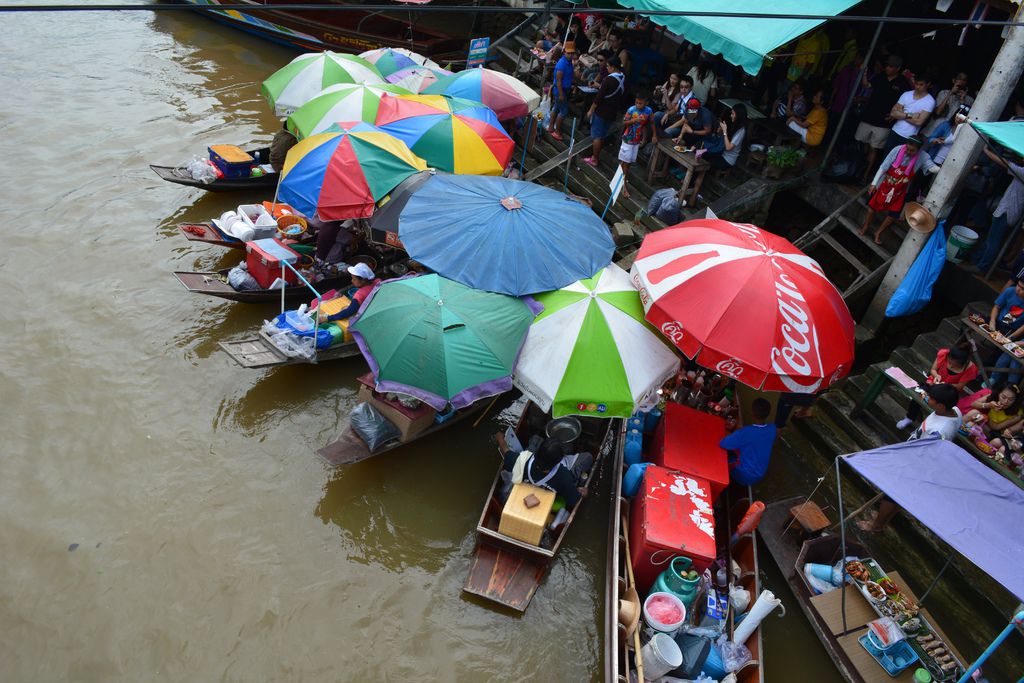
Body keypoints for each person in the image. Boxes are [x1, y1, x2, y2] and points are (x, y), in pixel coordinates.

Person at [859, 383, 961, 532]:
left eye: (931, 398)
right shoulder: (955, 411)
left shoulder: (940, 432)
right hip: (912, 457)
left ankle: (876, 526)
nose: (927, 398)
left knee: (891, 495)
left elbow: (928, 453)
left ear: (940, 405)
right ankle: (883, 520)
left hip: (917, 465)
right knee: (898, 496)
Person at [859, 136, 939, 244]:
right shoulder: (897, 149)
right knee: (872, 207)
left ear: (918, 150)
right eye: (908, 149)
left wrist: (943, 168)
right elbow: (883, 167)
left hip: (901, 190)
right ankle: (866, 225)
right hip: (885, 184)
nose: (909, 152)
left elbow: (932, 168)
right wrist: (874, 184)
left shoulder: (923, 156)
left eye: (912, 151)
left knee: (893, 215)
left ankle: (878, 233)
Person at [498, 434, 593, 508]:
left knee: (534, 438)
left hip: (532, 481)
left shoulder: (521, 461)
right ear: (559, 461)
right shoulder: (564, 477)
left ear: (538, 451)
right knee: (588, 457)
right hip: (558, 485)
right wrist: (583, 492)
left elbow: (505, 451)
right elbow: (573, 501)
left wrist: (500, 438)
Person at [895, 346, 977, 430]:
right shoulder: (944, 354)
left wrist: (945, 384)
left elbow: (959, 386)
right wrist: (937, 375)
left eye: (955, 365)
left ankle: (927, 427)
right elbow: (933, 370)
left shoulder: (971, 369)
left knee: (941, 406)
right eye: (949, 362)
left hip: (949, 391)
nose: (951, 366)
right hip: (933, 383)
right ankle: (909, 417)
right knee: (919, 395)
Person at [970, 147, 1024, 272]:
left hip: (1008, 211)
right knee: (991, 239)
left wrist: (987, 151)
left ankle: (982, 267)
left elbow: (1005, 163)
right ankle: (978, 260)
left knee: (993, 241)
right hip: (1007, 209)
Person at [854, 55, 908, 181]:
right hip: (868, 116)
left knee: (874, 148)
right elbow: (867, 85)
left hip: (884, 122)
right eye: (887, 65)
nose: (887, 68)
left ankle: (865, 175)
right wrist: (864, 74)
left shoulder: (902, 83)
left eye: (890, 66)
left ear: (898, 68)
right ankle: (855, 169)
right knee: (861, 144)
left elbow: (906, 103)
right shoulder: (880, 76)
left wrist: (894, 114)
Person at [719, 398, 777, 487]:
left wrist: (736, 434)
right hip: (760, 474)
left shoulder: (745, 432)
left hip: (743, 475)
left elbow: (723, 444)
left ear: (752, 414)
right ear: (767, 414)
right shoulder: (772, 429)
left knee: (723, 455)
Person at [583, 55, 625, 167]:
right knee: (602, 135)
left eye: (608, 66)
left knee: (597, 136)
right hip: (612, 112)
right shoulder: (622, 77)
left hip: (602, 111)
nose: (607, 68)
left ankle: (594, 158)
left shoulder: (608, 79)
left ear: (613, 67)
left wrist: (591, 110)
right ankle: (595, 157)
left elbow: (599, 98)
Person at [885, 73, 936, 154]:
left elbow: (919, 122)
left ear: (928, 85)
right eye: (916, 84)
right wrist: (910, 115)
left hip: (909, 137)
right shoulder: (906, 94)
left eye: (921, 84)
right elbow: (893, 113)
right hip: (895, 131)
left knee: (898, 162)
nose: (917, 87)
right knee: (886, 157)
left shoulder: (930, 101)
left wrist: (901, 113)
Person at [617, 92, 653, 199]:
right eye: (636, 103)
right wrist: (635, 120)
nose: (638, 105)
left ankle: (619, 180)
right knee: (626, 164)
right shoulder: (631, 110)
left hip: (636, 141)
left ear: (646, 103)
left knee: (626, 162)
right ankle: (624, 186)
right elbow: (624, 122)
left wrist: (646, 138)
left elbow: (649, 124)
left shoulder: (648, 111)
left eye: (640, 103)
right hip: (628, 139)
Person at [923, 72, 973, 136]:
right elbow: (938, 112)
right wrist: (950, 94)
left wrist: (962, 101)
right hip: (931, 132)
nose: (961, 82)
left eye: (964, 80)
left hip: (947, 137)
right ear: (953, 80)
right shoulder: (943, 93)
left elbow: (964, 119)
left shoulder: (969, 100)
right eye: (959, 78)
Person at [547, 41, 577, 141]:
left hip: (565, 89)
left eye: (572, 53)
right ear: (564, 52)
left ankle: (551, 127)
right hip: (560, 90)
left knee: (556, 108)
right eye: (568, 53)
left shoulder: (569, 63)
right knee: (563, 112)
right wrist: (561, 94)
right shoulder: (562, 64)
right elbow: (559, 80)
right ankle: (557, 131)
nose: (570, 55)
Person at [705, 103, 747, 170]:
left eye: (733, 114)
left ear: (739, 115)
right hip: (721, 152)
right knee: (704, 154)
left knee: (706, 163)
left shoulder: (741, 131)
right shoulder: (734, 124)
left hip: (728, 160)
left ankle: (699, 179)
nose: (731, 115)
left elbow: (728, 147)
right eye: (731, 113)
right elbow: (722, 137)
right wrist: (720, 130)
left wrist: (724, 131)